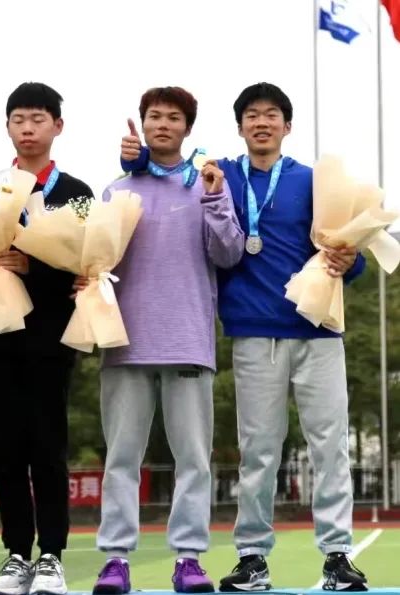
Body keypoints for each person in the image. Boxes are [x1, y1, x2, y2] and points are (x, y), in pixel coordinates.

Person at [120, 82, 368, 592]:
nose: (261, 122)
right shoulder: (221, 175)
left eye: (271, 114)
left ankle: (337, 555)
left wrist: (352, 260)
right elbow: (169, 170)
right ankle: (252, 557)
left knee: (330, 448)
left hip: (319, 330)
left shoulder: (315, 181)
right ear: (239, 127)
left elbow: (350, 249)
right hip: (254, 332)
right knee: (258, 451)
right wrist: (138, 157)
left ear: (287, 126)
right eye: (252, 115)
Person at [91, 86, 244, 595]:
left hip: (187, 338)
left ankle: (189, 558)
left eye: (173, 117)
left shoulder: (207, 184)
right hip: (125, 342)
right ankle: (115, 559)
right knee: (121, 458)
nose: (162, 124)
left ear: (187, 128)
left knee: (193, 460)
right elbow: (95, 262)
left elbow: (228, 254)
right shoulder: (116, 191)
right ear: (142, 124)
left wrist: (217, 199)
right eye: (154, 116)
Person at [0, 82, 94, 595]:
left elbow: (87, 268)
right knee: (4, 451)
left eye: (38, 119)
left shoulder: (75, 192)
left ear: (57, 126)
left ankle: (52, 556)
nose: (28, 128)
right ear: (7, 127)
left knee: (47, 450)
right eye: (18, 119)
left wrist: (32, 266)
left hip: (48, 342)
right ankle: (17, 553)